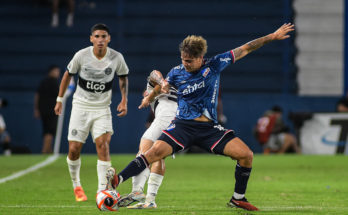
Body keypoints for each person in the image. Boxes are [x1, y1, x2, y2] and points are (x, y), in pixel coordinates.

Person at [106, 23, 295, 211]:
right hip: (182, 127)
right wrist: (150, 98)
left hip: (209, 129)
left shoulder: (215, 64)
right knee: (152, 153)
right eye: (183, 59)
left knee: (246, 155)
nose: (185, 64)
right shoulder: (177, 72)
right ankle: (118, 179)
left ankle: (238, 198)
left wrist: (272, 36)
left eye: (189, 61)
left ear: (200, 58)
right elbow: (162, 85)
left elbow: (246, 48)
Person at [54, 23, 129, 202]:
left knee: (103, 145)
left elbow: (123, 77)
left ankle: (101, 191)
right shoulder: (81, 55)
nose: (100, 40)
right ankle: (76, 185)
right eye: (97, 36)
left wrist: (124, 99)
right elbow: (67, 75)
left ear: (108, 39)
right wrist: (59, 99)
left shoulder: (116, 58)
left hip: (102, 108)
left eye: (104, 36)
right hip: (80, 107)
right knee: (73, 150)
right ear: (91, 39)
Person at [117, 72, 178, 209]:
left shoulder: (154, 88)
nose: (143, 96)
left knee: (144, 154)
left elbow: (154, 73)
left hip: (165, 118)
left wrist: (150, 95)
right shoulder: (172, 89)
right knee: (158, 157)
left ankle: (137, 191)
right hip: (177, 123)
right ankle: (150, 200)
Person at [34, 65, 61, 154]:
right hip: (52, 111)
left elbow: (37, 96)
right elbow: (60, 95)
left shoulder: (43, 82)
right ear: (51, 71)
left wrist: (36, 109)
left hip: (43, 110)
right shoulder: (55, 83)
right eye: (56, 71)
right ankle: (45, 150)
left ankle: (49, 150)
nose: (58, 73)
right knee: (50, 131)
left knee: (46, 130)